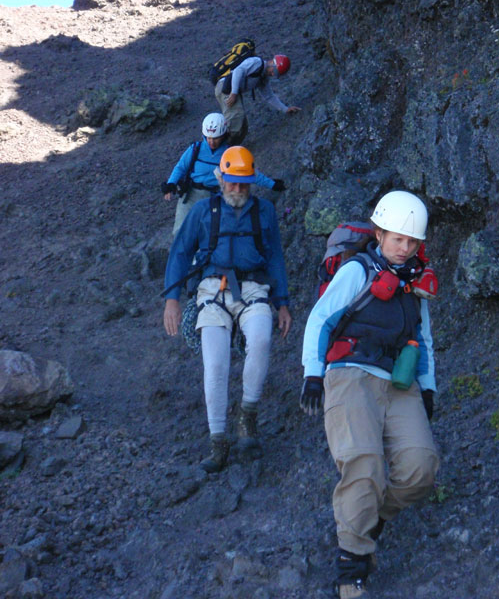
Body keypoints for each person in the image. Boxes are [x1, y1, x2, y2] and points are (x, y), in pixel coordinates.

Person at [300, 191, 439, 599]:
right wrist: (313, 374)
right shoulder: (358, 271)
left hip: (399, 381)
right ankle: (352, 572)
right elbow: (320, 320)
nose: (405, 248)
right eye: (398, 239)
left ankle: (368, 518)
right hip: (350, 374)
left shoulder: (415, 284)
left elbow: (423, 338)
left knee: (420, 467)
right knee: (363, 464)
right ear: (379, 233)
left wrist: (428, 389)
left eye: (412, 242)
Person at [163, 145, 292, 473]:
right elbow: (180, 253)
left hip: (253, 288)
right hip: (211, 290)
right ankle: (218, 439)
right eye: (232, 182)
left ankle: (247, 415)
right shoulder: (203, 211)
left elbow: (275, 256)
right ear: (220, 179)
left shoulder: (264, 212)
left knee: (261, 340)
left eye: (244, 183)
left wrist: (283, 303)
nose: (237, 189)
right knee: (216, 364)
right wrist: (172, 299)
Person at [161, 112, 285, 235]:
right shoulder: (195, 149)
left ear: (223, 135)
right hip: (191, 195)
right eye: (208, 137)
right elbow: (181, 167)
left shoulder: (229, 153)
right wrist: (171, 183)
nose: (211, 141)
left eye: (215, 138)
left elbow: (247, 173)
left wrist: (272, 184)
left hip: (216, 197)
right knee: (180, 232)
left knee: (209, 235)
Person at [214, 53, 301, 144]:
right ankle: (220, 148)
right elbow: (238, 71)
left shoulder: (263, 77)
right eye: (273, 71)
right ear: (272, 62)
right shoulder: (256, 63)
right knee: (236, 118)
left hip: (232, 91)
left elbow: (269, 96)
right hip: (224, 88)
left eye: (275, 74)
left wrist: (285, 109)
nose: (272, 74)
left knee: (243, 126)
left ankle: (231, 148)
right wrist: (234, 93)